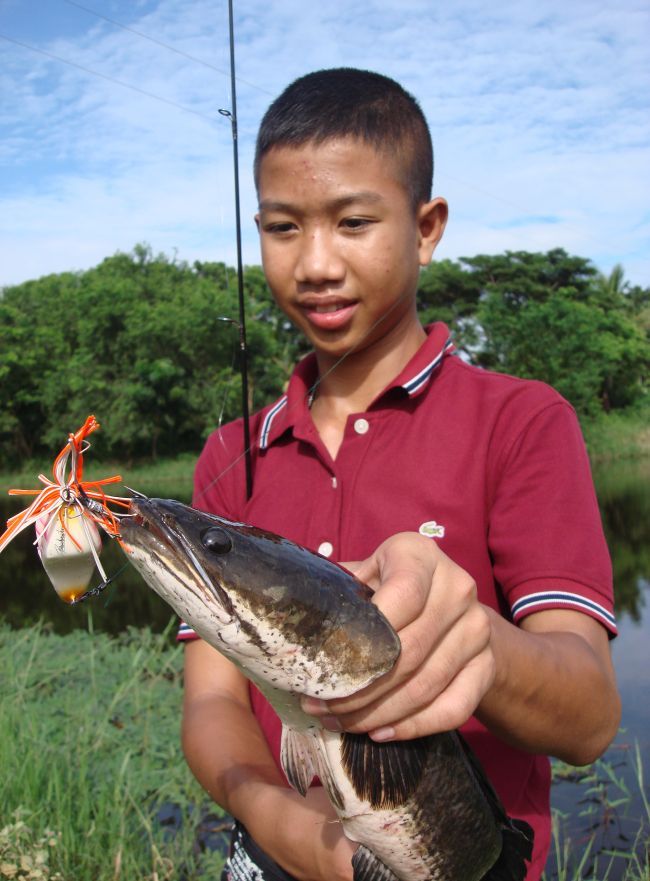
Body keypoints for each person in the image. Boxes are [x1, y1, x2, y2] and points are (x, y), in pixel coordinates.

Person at [179, 68, 621, 881]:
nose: (315, 262)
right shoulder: (226, 456)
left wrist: (478, 644)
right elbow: (210, 701)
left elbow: (590, 716)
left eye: (353, 221)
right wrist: (284, 826)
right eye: (282, 227)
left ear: (426, 227)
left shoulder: (522, 421)